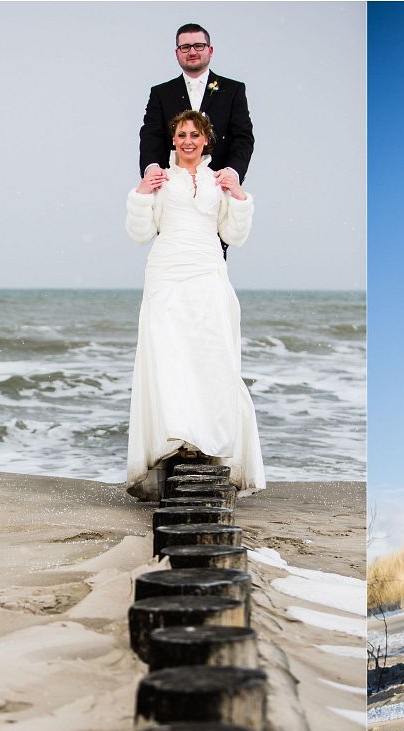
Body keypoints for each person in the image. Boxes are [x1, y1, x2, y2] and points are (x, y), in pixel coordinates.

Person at [124, 109, 266, 498]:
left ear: (206, 140)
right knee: (168, 355)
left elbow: (233, 235)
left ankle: (209, 441)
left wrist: (239, 198)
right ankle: (175, 440)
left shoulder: (217, 181)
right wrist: (140, 193)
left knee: (210, 354)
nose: (188, 141)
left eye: (195, 134)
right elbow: (140, 232)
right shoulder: (161, 179)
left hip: (207, 272)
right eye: (182, 134)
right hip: (166, 273)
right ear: (173, 140)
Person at [139, 24, 254, 186]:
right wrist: (151, 167)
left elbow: (243, 137)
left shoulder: (233, 90)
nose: (192, 52)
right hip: (171, 187)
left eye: (199, 46)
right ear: (177, 53)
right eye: (185, 47)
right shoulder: (161, 93)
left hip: (219, 186)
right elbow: (151, 135)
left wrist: (233, 172)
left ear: (210, 50)